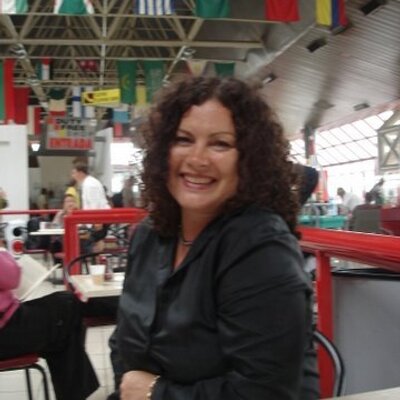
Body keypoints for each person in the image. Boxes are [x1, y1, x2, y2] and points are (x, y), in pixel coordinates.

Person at [112, 77, 317, 400]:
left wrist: (155, 393)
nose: (197, 159)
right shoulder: (150, 234)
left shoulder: (261, 250)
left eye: (220, 144)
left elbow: (266, 392)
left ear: (249, 159)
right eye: (183, 139)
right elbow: (124, 344)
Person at [0, 242, 99, 399]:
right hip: (6, 328)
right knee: (67, 307)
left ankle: (76, 394)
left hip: (8, 321)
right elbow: (12, 276)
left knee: (62, 322)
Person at [71, 161, 111, 252]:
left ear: (80, 173)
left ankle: (95, 256)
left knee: (84, 244)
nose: (73, 176)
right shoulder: (88, 183)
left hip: (98, 220)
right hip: (95, 220)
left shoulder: (90, 185)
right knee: (82, 242)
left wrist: (97, 223)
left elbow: (95, 204)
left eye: (74, 173)